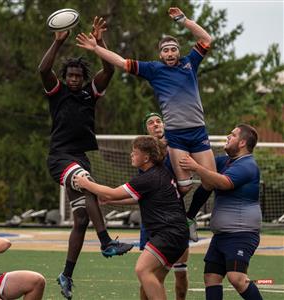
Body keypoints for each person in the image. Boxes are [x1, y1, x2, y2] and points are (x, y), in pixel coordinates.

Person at [75, 7, 216, 198]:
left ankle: (189, 217)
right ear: (160, 55)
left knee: (211, 181)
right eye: (165, 50)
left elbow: (206, 39)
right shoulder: (153, 69)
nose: (170, 53)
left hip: (198, 130)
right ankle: (174, 218)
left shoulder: (189, 63)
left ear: (179, 52)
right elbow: (122, 62)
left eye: (174, 49)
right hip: (176, 136)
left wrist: (184, 21)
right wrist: (96, 48)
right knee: (184, 187)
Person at [38, 17, 133, 299]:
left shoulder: (90, 94)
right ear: (66, 78)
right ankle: (106, 242)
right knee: (88, 182)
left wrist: (99, 43)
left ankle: (66, 275)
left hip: (79, 158)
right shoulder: (58, 93)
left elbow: (109, 69)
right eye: (71, 76)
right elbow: (43, 69)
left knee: (80, 220)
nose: (75, 79)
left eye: (79, 76)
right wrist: (58, 42)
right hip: (59, 158)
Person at [75, 136, 189, 300]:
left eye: (135, 152)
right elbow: (137, 198)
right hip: (177, 234)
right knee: (151, 280)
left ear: (146, 157)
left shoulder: (148, 178)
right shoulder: (161, 172)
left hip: (168, 234)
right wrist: (110, 199)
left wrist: (85, 183)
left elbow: (111, 192)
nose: (131, 155)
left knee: (142, 269)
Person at [179, 124, 263, 300]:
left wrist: (197, 167)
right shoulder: (223, 162)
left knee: (237, 278)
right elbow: (206, 182)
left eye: (232, 135)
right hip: (222, 235)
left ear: (242, 143)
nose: (227, 136)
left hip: (241, 234)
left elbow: (224, 182)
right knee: (211, 278)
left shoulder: (248, 165)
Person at [140, 112, 189, 300]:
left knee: (180, 271)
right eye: (150, 123)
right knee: (146, 274)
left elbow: (185, 184)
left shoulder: (175, 148)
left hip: (175, 217)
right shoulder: (145, 154)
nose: (155, 124)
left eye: (158, 121)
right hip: (153, 219)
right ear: (147, 130)